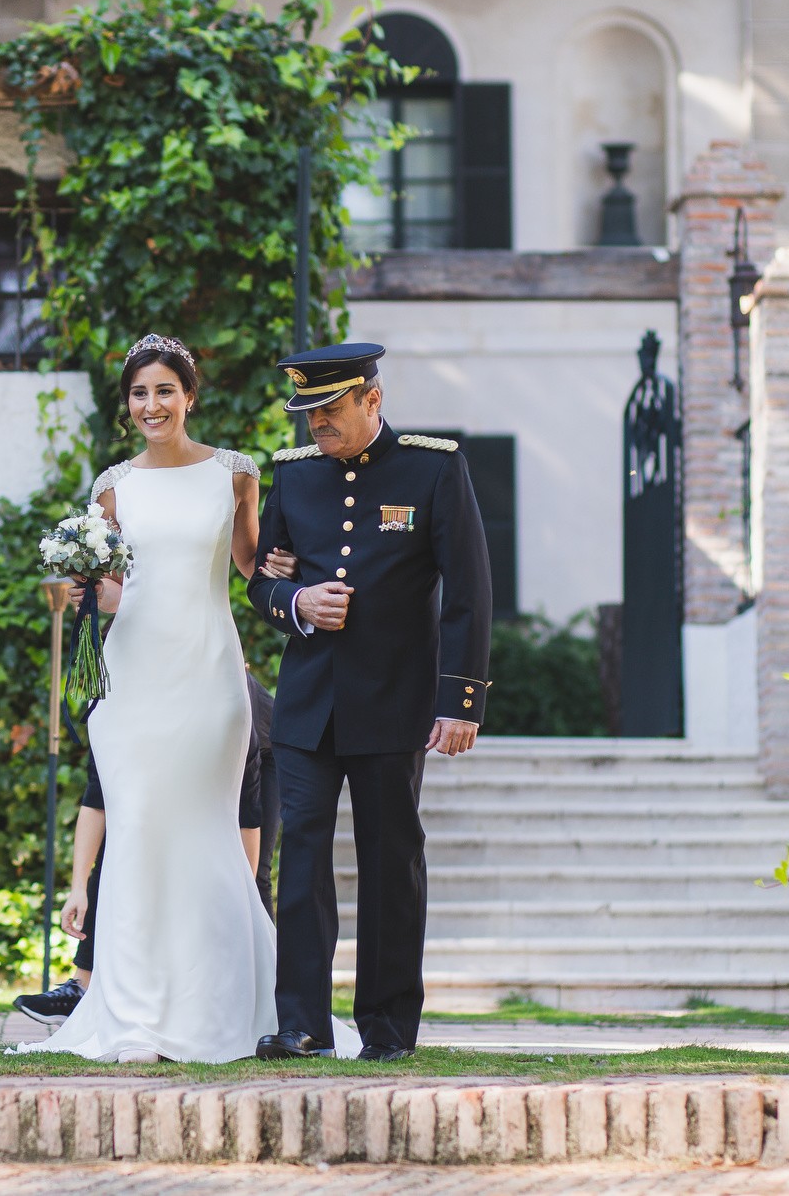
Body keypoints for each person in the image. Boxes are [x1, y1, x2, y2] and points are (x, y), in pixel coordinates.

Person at [11, 334, 356, 1063]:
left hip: (207, 676)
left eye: (165, 390)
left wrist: (289, 569)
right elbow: (115, 588)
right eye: (140, 393)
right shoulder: (112, 485)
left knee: (206, 836)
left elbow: (251, 565)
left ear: (189, 396)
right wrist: (81, 589)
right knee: (136, 833)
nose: (152, 404)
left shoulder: (234, 473)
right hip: (132, 679)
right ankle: (134, 1009)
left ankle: (227, 1005)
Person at [249, 342, 493, 1063]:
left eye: (329, 411)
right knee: (302, 865)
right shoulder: (293, 479)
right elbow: (261, 581)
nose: (316, 425)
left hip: (395, 702)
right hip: (307, 705)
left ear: (372, 400)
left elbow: (470, 592)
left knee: (391, 862)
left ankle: (387, 1026)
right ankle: (302, 1024)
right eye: (308, 413)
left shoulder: (434, 468)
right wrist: (297, 600)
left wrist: (462, 702)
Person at [12, 674, 277, 1029]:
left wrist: (240, 894)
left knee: (251, 880)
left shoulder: (222, 696)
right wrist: (77, 888)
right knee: (124, 841)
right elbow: (97, 799)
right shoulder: (116, 703)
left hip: (262, 752)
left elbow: (247, 813)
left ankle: (268, 1001)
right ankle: (83, 986)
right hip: (176, 755)